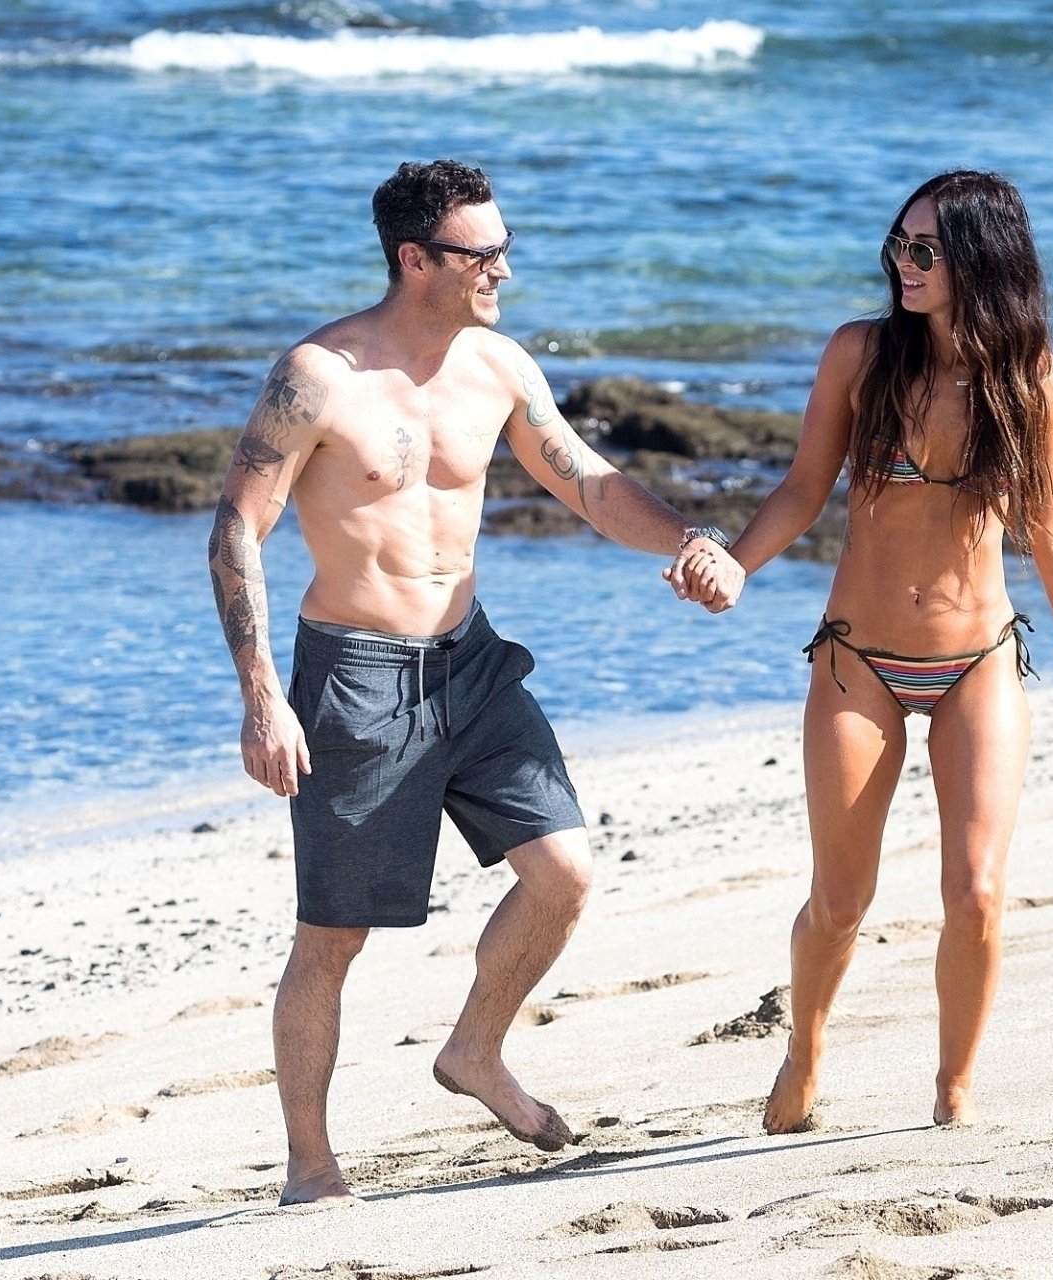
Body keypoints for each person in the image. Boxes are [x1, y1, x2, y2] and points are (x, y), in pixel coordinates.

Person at [208, 159, 745, 1204]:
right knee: (334, 937)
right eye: (482, 253)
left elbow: (589, 484)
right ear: (416, 259)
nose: (503, 268)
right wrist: (262, 695)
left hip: (474, 663)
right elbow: (237, 528)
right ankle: (311, 1166)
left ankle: (476, 1050)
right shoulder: (319, 376)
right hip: (357, 677)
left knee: (564, 871)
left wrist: (692, 539)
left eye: (505, 247)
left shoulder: (497, 365)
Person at [673, 169, 1053, 1132]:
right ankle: (805, 1050)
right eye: (899, 246)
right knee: (839, 901)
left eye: (926, 251)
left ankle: (954, 1091)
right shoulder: (860, 355)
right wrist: (738, 562)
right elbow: (803, 486)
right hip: (859, 661)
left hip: (979, 660)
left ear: (981, 260)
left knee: (978, 891)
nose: (904, 265)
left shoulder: (1034, 381)